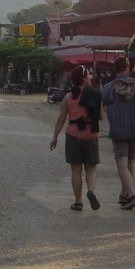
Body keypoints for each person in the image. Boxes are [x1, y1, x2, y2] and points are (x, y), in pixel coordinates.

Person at [101, 56, 135, 210]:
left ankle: (131, 195)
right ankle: (124, 194)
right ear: (127, 67)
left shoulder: (108, 88)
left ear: (115, 69)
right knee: (129, 161)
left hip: (118, 130)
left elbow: (100, 106)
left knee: (121, 163)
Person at [49, 66, 103, 211]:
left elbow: (61, 119)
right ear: (84, 78)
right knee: (91, 169)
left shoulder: (68, 97)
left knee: (76, 171)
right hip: (91, 135)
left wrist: (55, 136)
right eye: (88, 75)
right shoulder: (96, 95)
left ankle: (78, 202)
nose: (91, 76)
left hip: (73, 135)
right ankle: (91, 191)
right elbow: (102, 117)